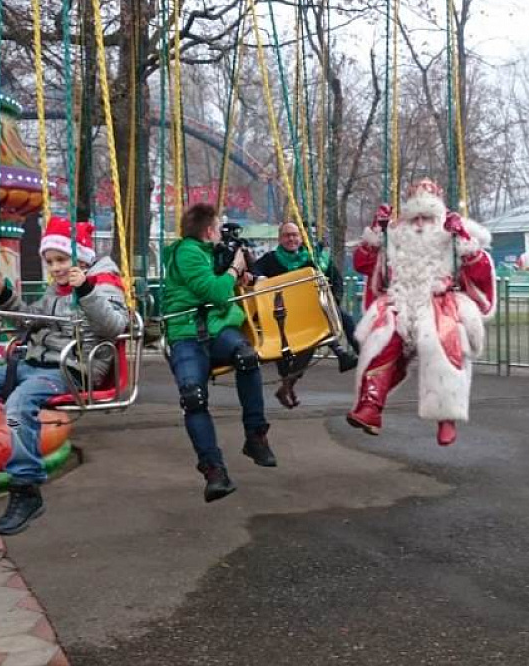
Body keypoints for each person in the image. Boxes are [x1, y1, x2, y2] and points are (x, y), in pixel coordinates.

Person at [0, 216, 129, 535]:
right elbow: (31, 320)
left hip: (72, 369)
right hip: (36, 362)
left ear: (79, 257)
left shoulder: (103, 283)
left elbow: (114, 327)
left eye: (61, 260)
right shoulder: (57, 290)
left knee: (18, 406)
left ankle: (26, 489)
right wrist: (6, 296)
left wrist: (88, 290)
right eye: (50, 262)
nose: (55, 268)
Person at [347, 179, 496, 447]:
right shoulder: (393, 232)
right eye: (416, 216)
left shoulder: (453, 230)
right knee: (382, 339)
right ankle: (370, 406)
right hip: (399, 298)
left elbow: (481, 271)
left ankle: (446, 416)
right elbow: (362, 263)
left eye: (426, 216)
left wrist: (462, 239)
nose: (419, 225)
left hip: (439, 300)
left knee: (441, 341)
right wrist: (374, 232)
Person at [161, 203, 274, 503]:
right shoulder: (187, 252)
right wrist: (235, 268)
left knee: (246, 357)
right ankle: (214, 470)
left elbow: (227, 284)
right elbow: (215, 291)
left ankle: (255, 434)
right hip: (187, 334)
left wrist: (241, 274)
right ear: (208, 230)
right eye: (217, 227)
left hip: (218, 329)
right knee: (193, 396)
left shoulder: (212, 253)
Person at [251, 221, 358, 409]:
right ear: (280, 238)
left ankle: (362, 355)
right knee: (290, 349)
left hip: (312, 310)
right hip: (283, 315)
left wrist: (334, 301)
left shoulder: (312, 258)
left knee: (344, 319)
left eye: (295, 235)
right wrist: (259, 277)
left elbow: (336, 279)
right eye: (287, 235)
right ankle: (289, 384)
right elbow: (255, 270)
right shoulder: (271, 259)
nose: (291, 239)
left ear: (301, 238)